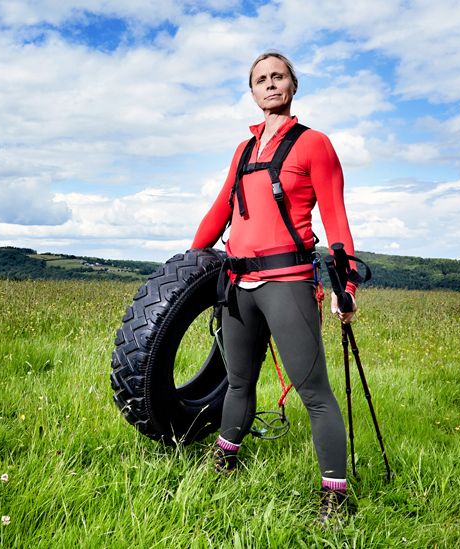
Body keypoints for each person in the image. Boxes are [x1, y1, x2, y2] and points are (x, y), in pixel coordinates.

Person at [190, 51, 358, 525]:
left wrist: (345, 284)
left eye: (277, 77)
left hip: (287, 283)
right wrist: (185, 263)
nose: (269, 85)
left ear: (292, 85)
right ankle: (224, 459)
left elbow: (335, 217)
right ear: (252, 91)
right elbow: (220, 209)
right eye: (260, 79)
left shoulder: (314, 145)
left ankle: (335, 495)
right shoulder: (242, 151)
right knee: (239, 381)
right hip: (237, 284)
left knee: (315, 393)